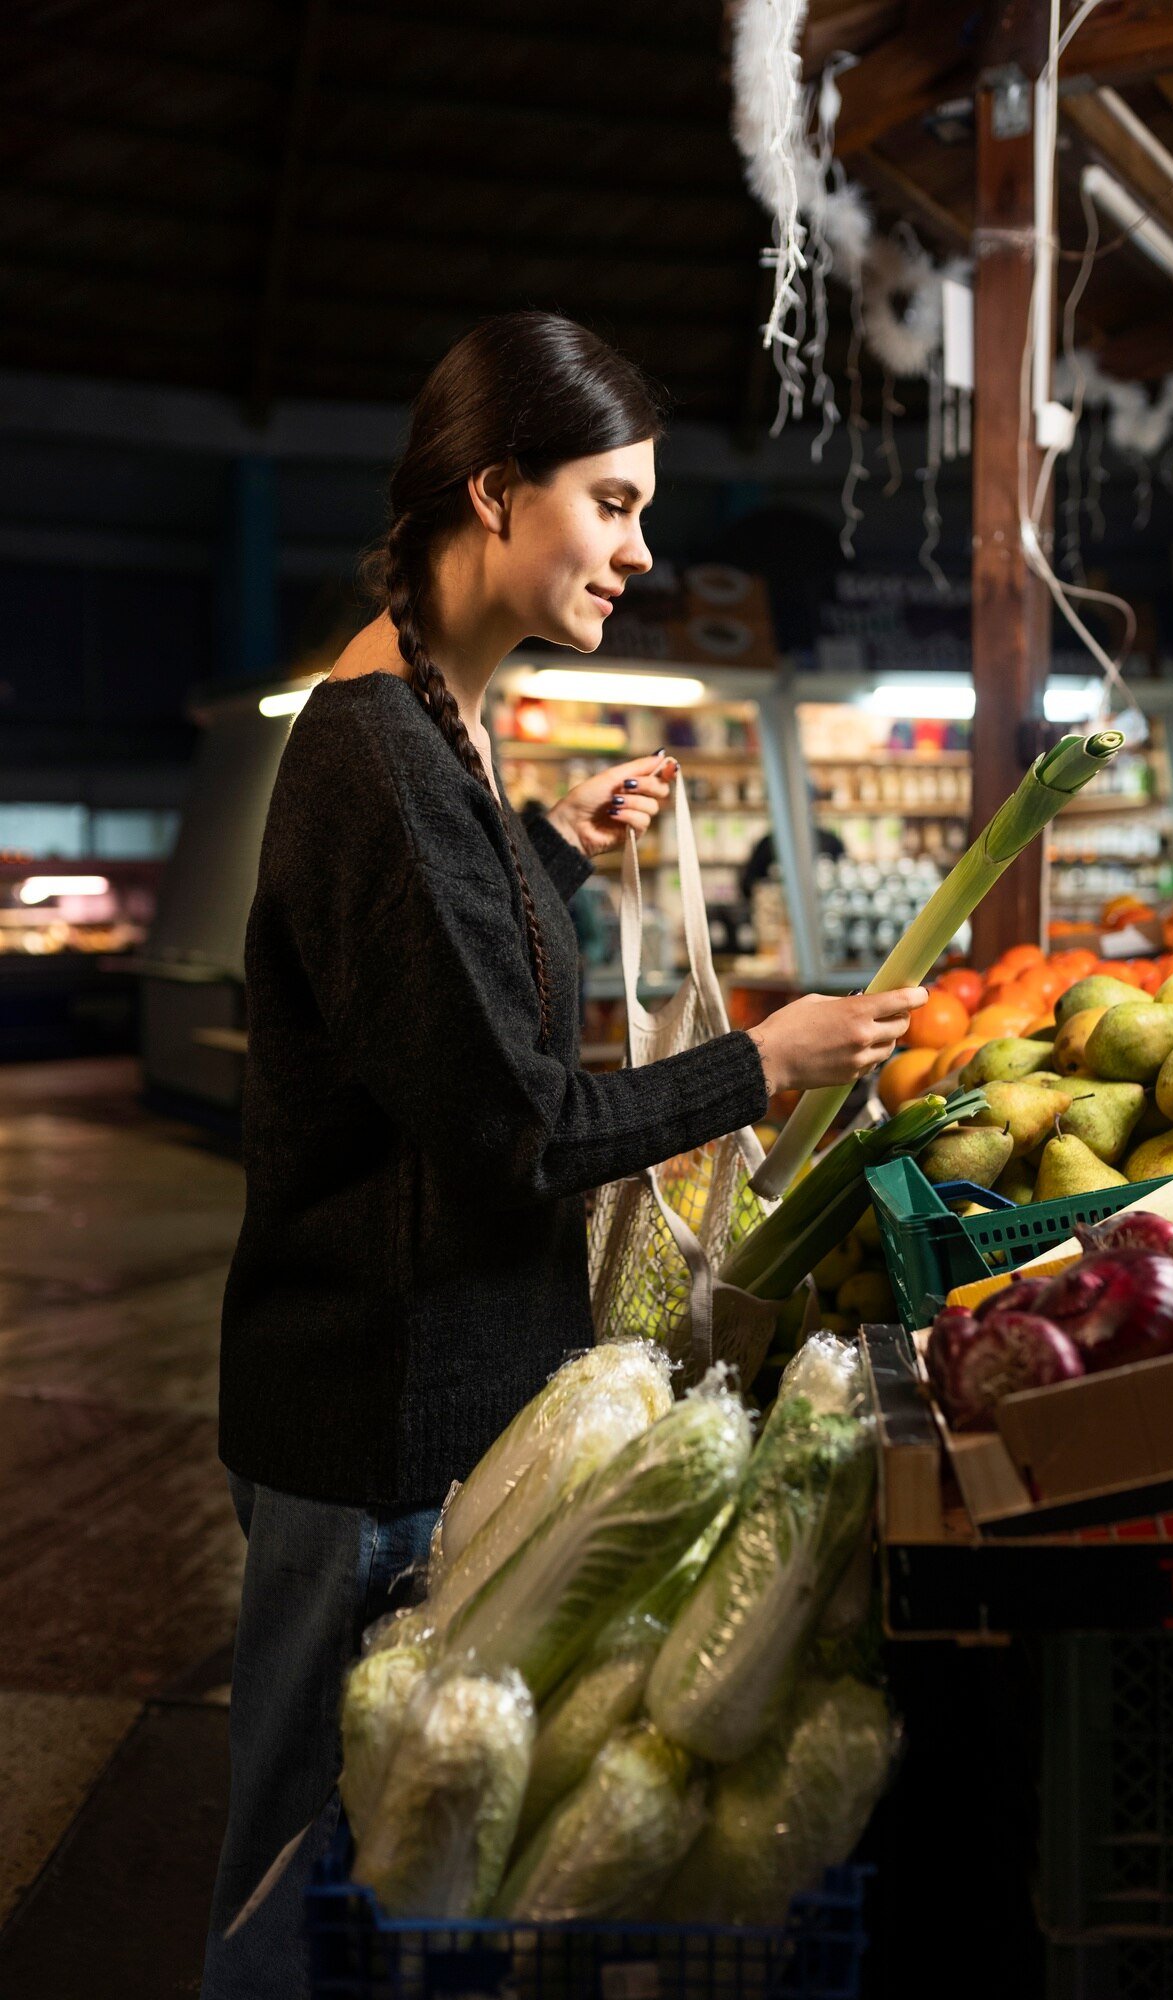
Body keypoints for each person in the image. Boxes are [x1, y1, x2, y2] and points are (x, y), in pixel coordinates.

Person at [200, 311, 926, 1999]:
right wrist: (763, 1063)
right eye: (611, 501)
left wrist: (556, 847)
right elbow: (513, 1124)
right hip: (362, 1417)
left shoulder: (444, 733)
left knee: (377, 1871)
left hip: (420, 1409)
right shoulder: (375, 752)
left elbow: (439, 994)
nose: (640, 546)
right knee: (297, 1880)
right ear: (493, 491)